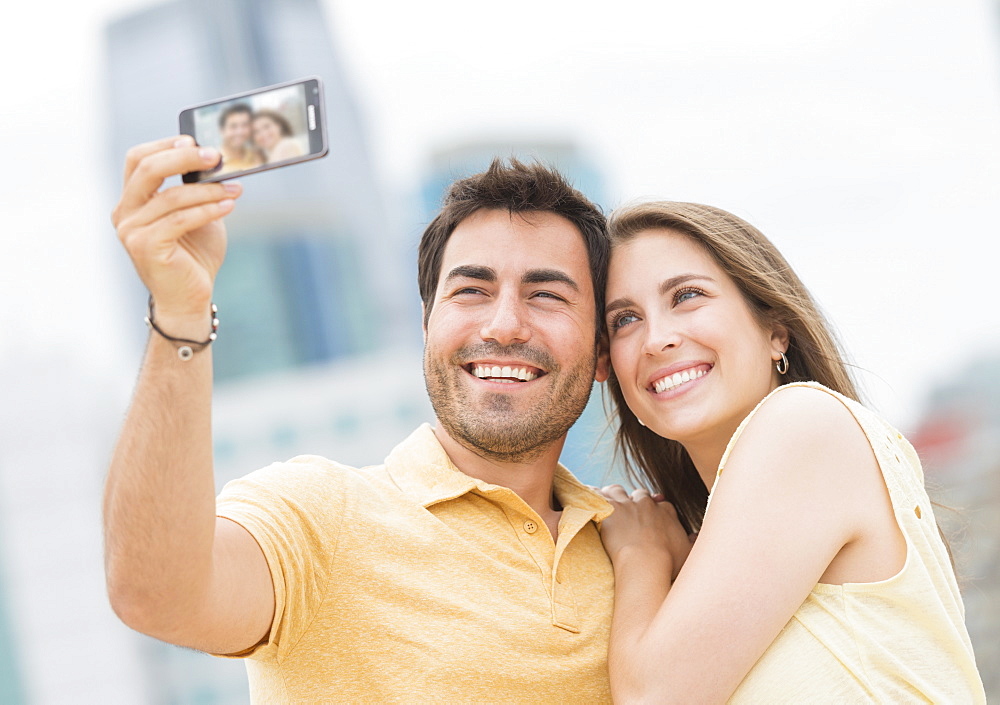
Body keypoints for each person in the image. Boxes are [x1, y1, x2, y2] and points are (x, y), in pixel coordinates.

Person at [104, 136, 616, 702]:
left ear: (601, 352)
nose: (503, 325)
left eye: (546, 295)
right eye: (471, 290)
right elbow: (158, 594)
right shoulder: (322, 514)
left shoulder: (634, 545)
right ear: (427, 326)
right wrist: (180, 311)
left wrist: (645, 550)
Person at [597, 201, 986, 703]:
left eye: (687, 296)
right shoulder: (721, 550)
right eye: (624, 320)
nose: (657, 339)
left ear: (775, 330)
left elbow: (655, 698)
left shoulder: (804, 425)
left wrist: (639, 553)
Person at [216, 103, 263, 175]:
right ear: (222, 131)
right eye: (233, 126)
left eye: (244, 125)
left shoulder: (256, 155)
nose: (240, 132)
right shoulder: (214, 164)